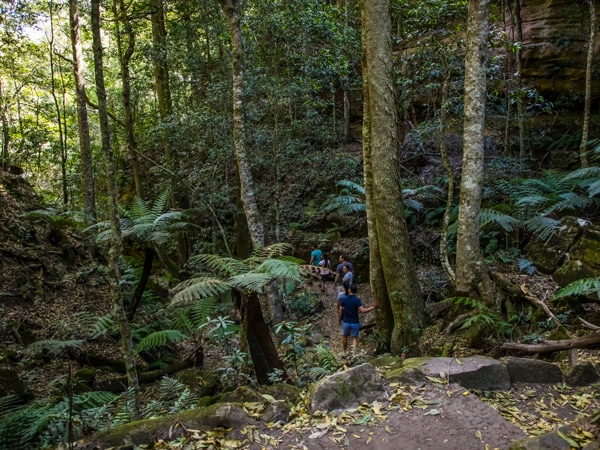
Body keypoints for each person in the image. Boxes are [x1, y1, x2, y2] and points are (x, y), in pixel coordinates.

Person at [338, 283, 377, 354]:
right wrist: (373, 307)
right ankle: (354, 354)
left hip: (346, 321)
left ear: (349, 290)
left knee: (344, 336)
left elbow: (340, 310)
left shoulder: (344, 299)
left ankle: (345, 352)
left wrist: (339, 319)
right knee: (354, 338)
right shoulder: (357, 300)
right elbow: (362, 310)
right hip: (355, 322)